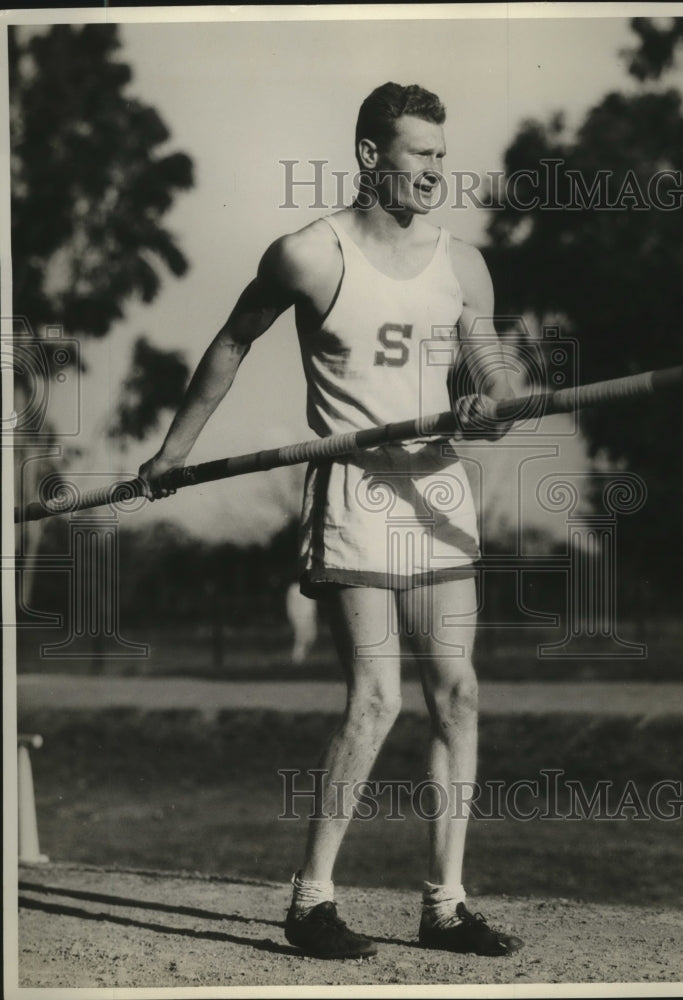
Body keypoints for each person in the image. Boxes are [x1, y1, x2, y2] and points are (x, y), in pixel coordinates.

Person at [139, 82, 522, 960]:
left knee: (458, 693)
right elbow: (233, 341)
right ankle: (311, 900)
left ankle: (446, 905)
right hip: (354, 494)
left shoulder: (464, 265)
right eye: (419, 153)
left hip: (438, 490)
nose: (435, 169)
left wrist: (490, 409)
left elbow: (495, 385)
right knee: (378, 698)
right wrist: (173, 450)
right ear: (369, 155)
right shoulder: (310, 256)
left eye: (440, 153)